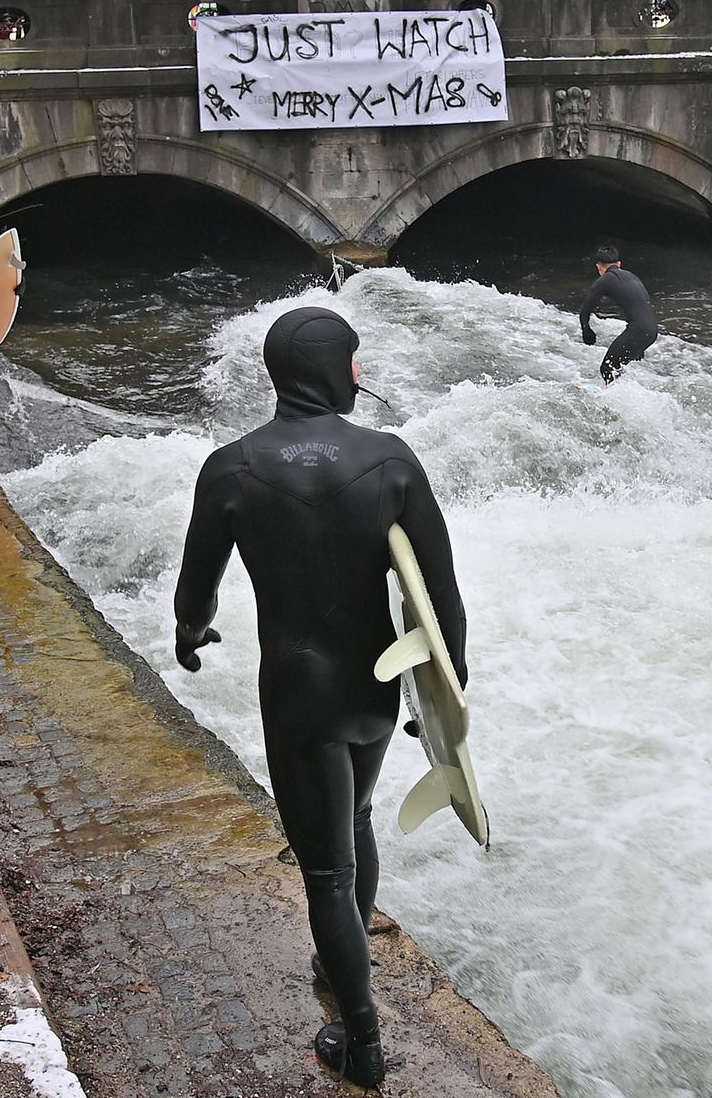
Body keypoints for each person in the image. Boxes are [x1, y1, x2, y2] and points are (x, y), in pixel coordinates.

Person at [173, 306, 467, 1090]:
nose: (359, 372)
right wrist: (446, 697)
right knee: (358, 819)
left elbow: (196, 590)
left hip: (298, 692)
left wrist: (190, 634)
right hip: (376, 685)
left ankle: (361, 1043)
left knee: (327, 872)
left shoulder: (231, 468)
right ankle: (343, 958)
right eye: (354, 359)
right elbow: (441, 597)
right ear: (333, 369)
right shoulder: (392, 459)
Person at [578, 246, 659, 384]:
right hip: (651, 331)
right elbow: (641, 307)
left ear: (599, 266)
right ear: (619, 264)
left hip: (638, 331)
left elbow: (585, 310)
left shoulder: (605, 280)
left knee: (607, 368)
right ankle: (624, 392)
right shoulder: (632, 276)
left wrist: (586, 330)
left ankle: (614, 396)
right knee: (616, 368)